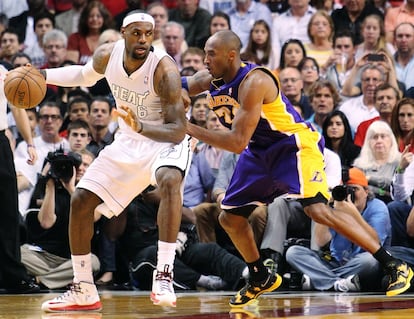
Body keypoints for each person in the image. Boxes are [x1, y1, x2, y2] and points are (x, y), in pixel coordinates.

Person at [182, 30, 412, 307]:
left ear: (231, 55)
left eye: (211, 53)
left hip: (292, 145)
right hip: (259, 151)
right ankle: (259, 276)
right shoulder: (211, 78)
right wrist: (153, 85)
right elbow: (180, 83)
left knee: (317, 209)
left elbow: (235, 142)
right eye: (204, 53)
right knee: (229, 219)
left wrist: (184, 126)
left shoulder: (255, 80)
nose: (205, 60)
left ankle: (393, 265)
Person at [40, 11, 190, 311]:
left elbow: (178, 130)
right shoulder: (108, 55)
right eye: (137, 33)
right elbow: (83, 75)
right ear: (123, 32)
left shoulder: (164, 69)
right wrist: (42, 75)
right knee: (81, 199)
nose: (144, 39)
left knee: (171, 179)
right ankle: (83, 287)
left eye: (149, 33)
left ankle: (164, 275)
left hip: (163, 139)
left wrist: (142, 127)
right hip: (128, 141)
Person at [286, 167, 391, 292]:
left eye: (354, 189)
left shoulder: (377, 207)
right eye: (345, 190)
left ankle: (319, 279)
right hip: (335, 262)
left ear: (366, 191)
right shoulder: (336, 205)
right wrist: (325, 209)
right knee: (293, 252)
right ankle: (339, 283)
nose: (349, 195)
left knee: (370, 260)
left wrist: (354, 214)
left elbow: (376, 242)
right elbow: (320, 240)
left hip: (361, 263)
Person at [21, 149, 101, 290]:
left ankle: (40, 280)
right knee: (20, 253)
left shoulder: (91, 193)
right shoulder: (47, 189)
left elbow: (94, 217)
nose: (81, 169)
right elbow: (46, 222)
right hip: (41, 257)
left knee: (93, 262)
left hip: (71, 259)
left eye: (85, 165)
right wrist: (50, 186)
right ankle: (61, 279)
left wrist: (71, 188)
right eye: (78, 165)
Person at [0, 60, 40, 294]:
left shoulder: (4, 72)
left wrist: (30, 142)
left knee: (6, 212)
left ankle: (14, 277)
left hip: (0, 142)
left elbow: (17, 107)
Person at [353, 120, 401, 203]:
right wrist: (383, 191)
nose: (379, 141)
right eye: (374, 137)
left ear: (391, 140)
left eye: (383, 136)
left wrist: (369, 179)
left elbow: (397, 188)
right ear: (368, 142)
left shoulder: (401, 162)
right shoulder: (359, 165)